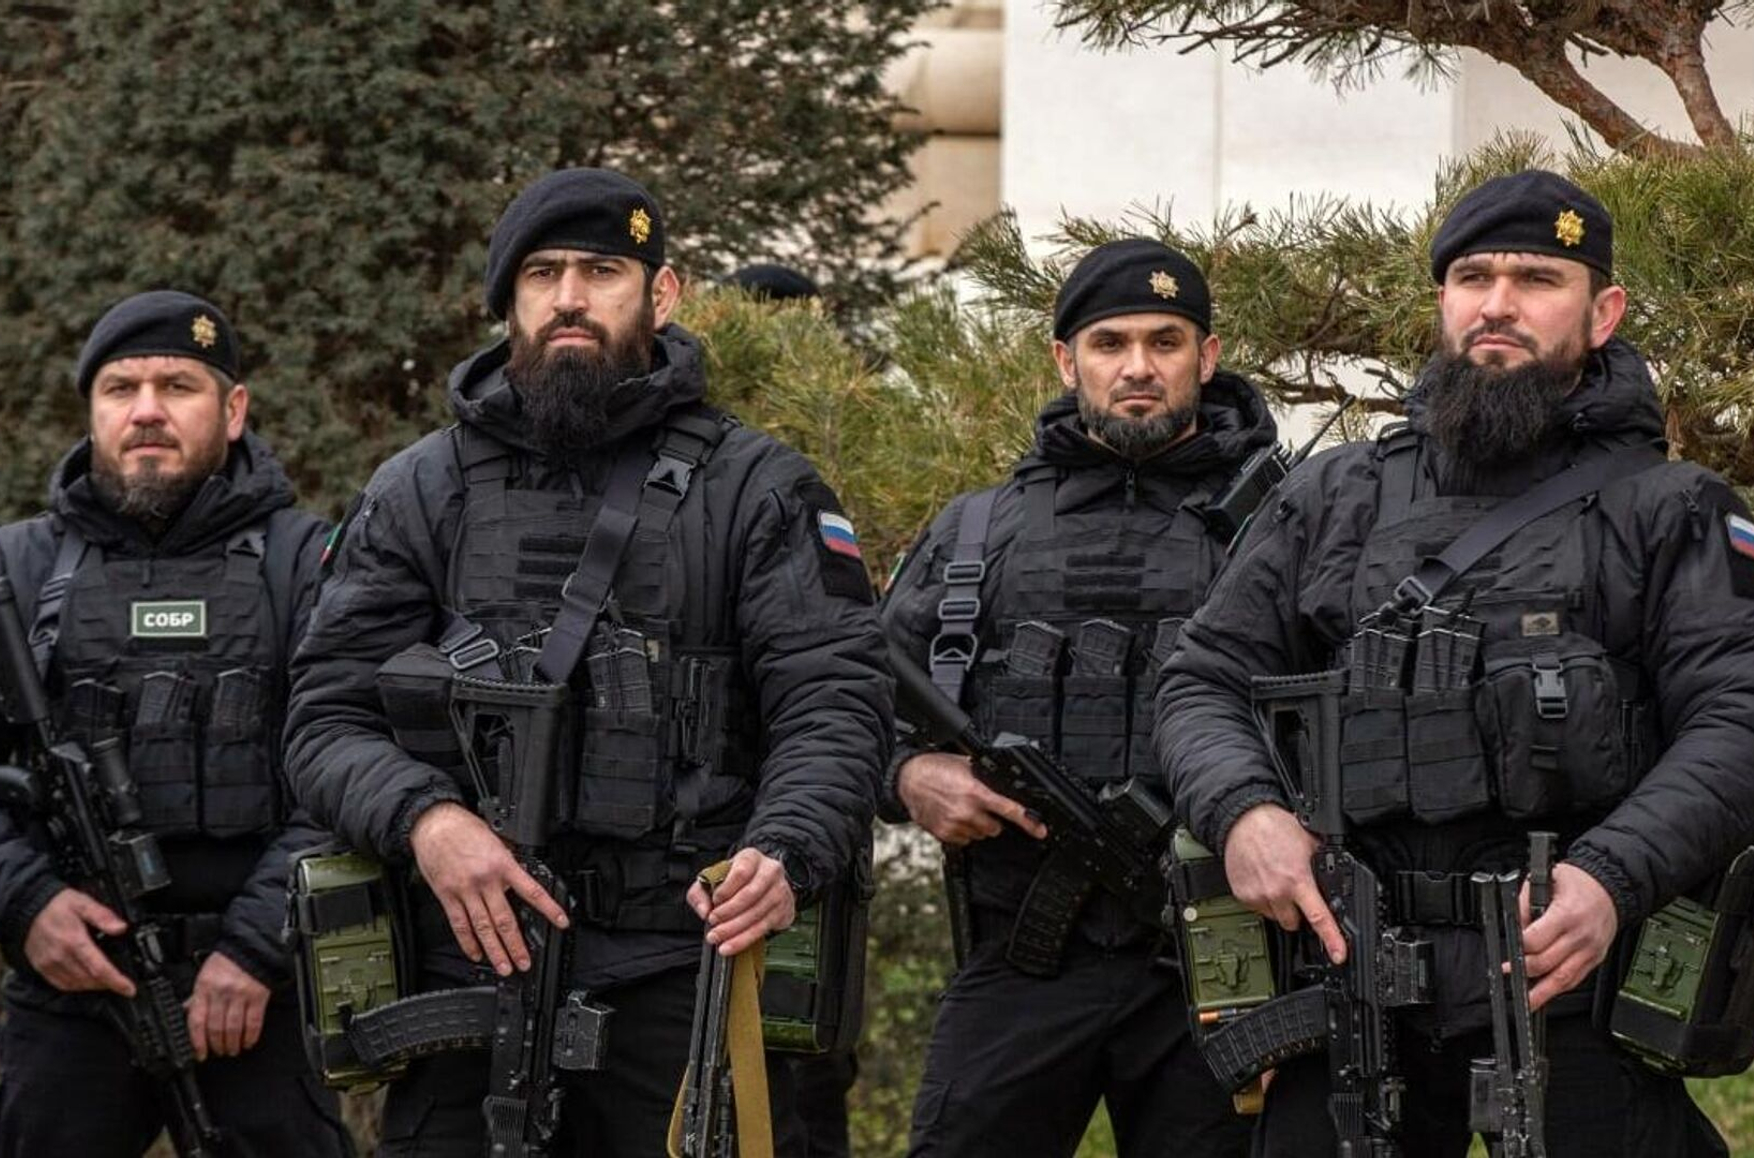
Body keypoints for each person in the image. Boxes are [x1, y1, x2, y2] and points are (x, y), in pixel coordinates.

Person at [281, 167, 891, 1156]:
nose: (568, 296)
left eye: (601, 271)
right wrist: (428, 821)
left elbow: (834, 704)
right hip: (470, 962)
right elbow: (325, 718)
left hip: (683, 966)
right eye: (542, 274)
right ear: (508, 301)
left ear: (662, 294)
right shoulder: (418, 490)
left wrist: (783, 850)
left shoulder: (757, 489)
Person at [1158, 169, 1754, 1156]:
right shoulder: (1336, 495)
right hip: (1349, 979)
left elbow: (1736, 718)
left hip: (1569, 978)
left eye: (1537, 279)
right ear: (1441, 300)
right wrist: (1244, 813)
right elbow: (1202, 679)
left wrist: (1610, 878)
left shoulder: (1672, 509)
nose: (1498, 304)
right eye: (1473, 277)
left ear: (1601, 313)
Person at [879, 238, 1269, 1158]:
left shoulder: (1278, 524)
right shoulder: (978, 530)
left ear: (1207, 357)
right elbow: (848, 700)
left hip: (1225, 960)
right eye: (1109, 343)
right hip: (1025, 949)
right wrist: (908, 777)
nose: (1138, 367)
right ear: (1066, 360)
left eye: (1166, 342)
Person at [0, 291, 350, 1156]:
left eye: (178, 385)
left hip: (258, 993)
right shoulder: (19, 569)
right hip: (69, 985)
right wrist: (23, 901)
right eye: (121, 388)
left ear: (233, 410)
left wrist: (258, 948)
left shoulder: (308, 563)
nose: (147, 410)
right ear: (92, 412)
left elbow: (347, 763)